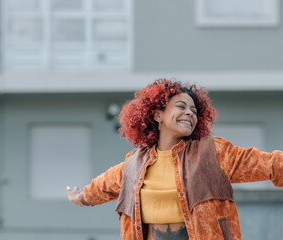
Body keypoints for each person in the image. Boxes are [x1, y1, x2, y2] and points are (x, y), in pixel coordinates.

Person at [67, 79, 283, 240]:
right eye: (181, 107)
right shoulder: (134, 162)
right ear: (157, 115)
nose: (190, 113)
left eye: (194, 110)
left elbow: (267, 164)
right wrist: (82, 196)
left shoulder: (212, 153)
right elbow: (105, 184)